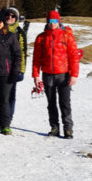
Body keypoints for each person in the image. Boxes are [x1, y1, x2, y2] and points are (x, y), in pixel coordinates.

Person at [32, 10, 80, 139]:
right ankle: (54, 127)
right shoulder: (41, 37)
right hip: (47, 75)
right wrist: (36, 75)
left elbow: (74, 57)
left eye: (54, 21)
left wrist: (74, 74)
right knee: (51, 103)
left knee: (65, 103)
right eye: (50, 21)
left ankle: (68, 129)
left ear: (59, 22)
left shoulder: (67, 36)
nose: (52, 24)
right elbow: (36, 58)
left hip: (64, 75)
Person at [5, 6, 29, 123]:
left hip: (13, 68)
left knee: (10, 94)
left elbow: (22, 53)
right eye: (8, 15)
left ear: (16, 18)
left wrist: (21, 70)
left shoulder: (19, 32)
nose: (10, 17)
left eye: (13, 16)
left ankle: (8, 117)